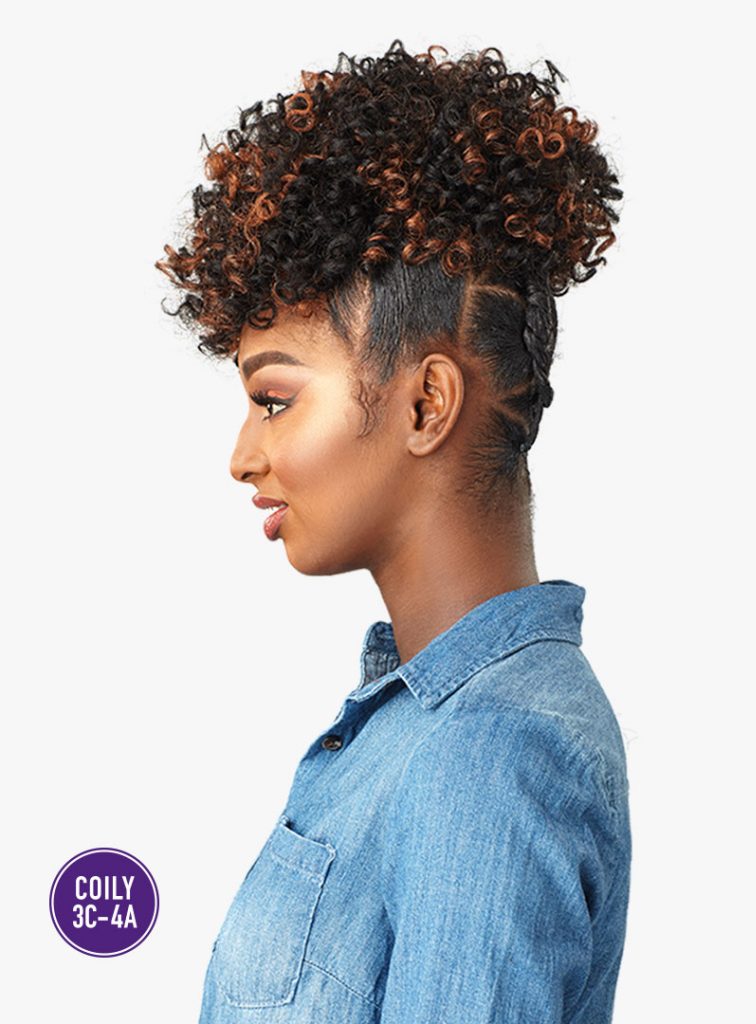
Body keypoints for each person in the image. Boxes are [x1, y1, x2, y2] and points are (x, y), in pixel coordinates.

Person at [156, 38, 631, 1024]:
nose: (242, 456)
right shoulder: (421, 727)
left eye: (275, 400)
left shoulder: (493, 754)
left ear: (425, 404)